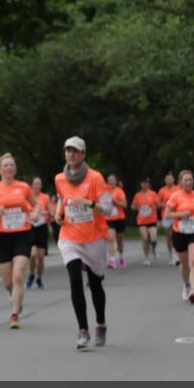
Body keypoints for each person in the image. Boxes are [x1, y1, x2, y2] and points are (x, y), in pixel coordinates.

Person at [53, 136, 111, 349]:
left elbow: (108, 208)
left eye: (75, 151)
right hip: (70, 236)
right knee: (75, 279)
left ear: (83, 154)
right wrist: (58, 213)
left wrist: (90, 203)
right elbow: (61, 198)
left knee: (95, 284)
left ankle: (101, 324)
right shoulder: (59, 178)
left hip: (94, 237)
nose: (71, 154)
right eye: (67, 150)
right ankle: (83, 330)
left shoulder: (95, 178)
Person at [0, 153, 35, 329]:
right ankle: (16, 299)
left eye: (12, 165)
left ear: (15, 168)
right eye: (6, 166)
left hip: (22, 234)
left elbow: (37, 205)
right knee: (8, 282)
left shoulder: (24, 187)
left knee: (18, 275)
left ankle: (14, 314)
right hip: (2, 236)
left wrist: (35, 213)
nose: (9, 168)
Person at [164, 169, 194, 304]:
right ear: (181, 183)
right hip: (179, 232)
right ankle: (187, 284)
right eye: (186, 180)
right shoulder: (175, 196)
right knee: (184, 264)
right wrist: (181, 214)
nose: (189, 182)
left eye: (191, 180)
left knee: (193, 261)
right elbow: (167, 215)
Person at [26, 176, 52, 289]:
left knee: (41, 257)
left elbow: (51, 212)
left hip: (42, 227)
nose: (38, 186)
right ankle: (31, 274)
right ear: (31, 185)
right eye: (36, 184)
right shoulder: (27, 197)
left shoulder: (45, 197)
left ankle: (39, 278)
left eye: (39, 184)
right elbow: (24, 210)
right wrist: (31, 214)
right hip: (30, 227)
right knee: (32, 255)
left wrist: (43, 212)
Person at [130, 176, 160, 266]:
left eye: (146, 183)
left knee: (154, 238)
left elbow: (158, 205)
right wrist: (137, 207)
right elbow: (132, 206)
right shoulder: (137, 195)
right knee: (145, 238)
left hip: (152, 220)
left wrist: (153, 207)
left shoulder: (153, 194)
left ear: (149, 184)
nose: (144, 184)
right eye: (143, 183)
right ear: (141, 184)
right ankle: (146, 258)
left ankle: (153, 248)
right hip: (141, 221)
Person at [105, 174, 127, 269]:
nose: (111, 182)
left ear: (116, 181)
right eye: (109, 180)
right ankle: (112, 260)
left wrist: (115, 202)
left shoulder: (119, 191)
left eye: (113, 180)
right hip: (108, 219)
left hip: (119, 219)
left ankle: (121, 256)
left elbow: (125, 205)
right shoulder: (104, 192)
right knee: (110, 239)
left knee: (119, 241)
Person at [157, 172, 179, 265]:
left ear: (173, 180)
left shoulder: (178, 189)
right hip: (165, 215)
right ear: (165, 181)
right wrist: (165, 204)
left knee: (174, 234)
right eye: (167, 179)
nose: (169, 181)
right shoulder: (162, 190)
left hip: (176, 215)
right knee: (168, 236)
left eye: (170, 179)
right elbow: (158, 204)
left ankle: (176, 254)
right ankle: (171, 255)